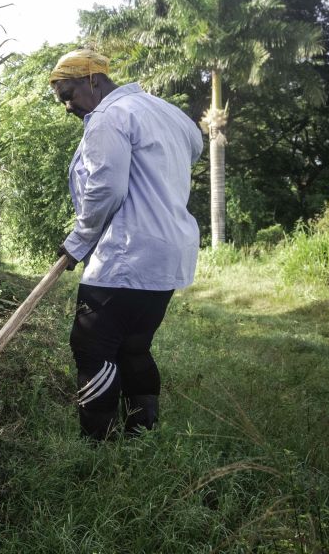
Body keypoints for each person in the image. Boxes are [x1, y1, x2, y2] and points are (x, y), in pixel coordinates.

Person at [49, 49, 203, 439]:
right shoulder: (169, 113)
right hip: (167, 254)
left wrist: (78, 242)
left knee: (91, 346)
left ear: (92, 81)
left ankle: (96, 444)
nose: (67, 107)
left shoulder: (108, 116)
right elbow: (194, 150)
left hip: (126, 254)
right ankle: (142, 434)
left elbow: (107, 188)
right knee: (133, 346)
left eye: (68, 95)